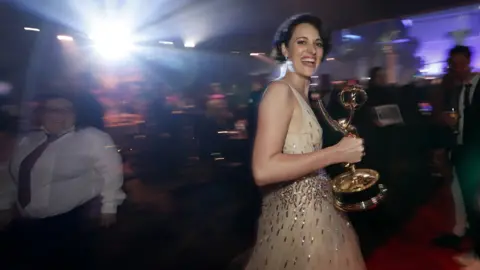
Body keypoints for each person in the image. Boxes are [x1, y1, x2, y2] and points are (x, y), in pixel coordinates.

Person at [245, 14, 366, 270]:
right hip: (296, 228)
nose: (312, 50)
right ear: (285, 49)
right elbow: (263, 170)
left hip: (321, 216)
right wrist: (335, 153)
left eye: (318, 43)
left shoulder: (305, 96)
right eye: (302, 42)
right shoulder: (280, 92)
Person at [1, 93, 125, 269]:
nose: (57, 115)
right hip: (25, 223)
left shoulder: (92, 138)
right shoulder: (28, 140)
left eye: (66, 110)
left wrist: (109, 207)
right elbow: (13, 174)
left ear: (76, 114)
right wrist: (4, 205)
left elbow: (112, 172)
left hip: (71, 225)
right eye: (51, 110)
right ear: (41, 113)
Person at [431, 46, 480, 267]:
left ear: (469, 62)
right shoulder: (458, 89)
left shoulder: (476, 86)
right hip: (461, 152)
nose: (458, 68)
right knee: (471, 204)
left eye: (462, 63)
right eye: (454, 64)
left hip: (475, 154)